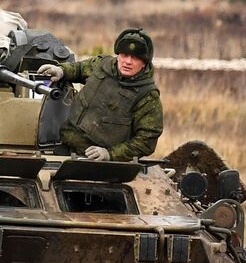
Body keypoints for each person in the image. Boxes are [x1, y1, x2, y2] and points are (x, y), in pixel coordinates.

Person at [39, 28, 164, 162]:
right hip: (65, 147)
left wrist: (110, 154)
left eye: (135, 58)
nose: (128, 61)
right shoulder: (102, 65)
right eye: (124, 55)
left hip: (99, 163)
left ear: (144, 63)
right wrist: (61, 70)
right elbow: (80, 69)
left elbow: (146, 141)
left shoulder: (148, 95)